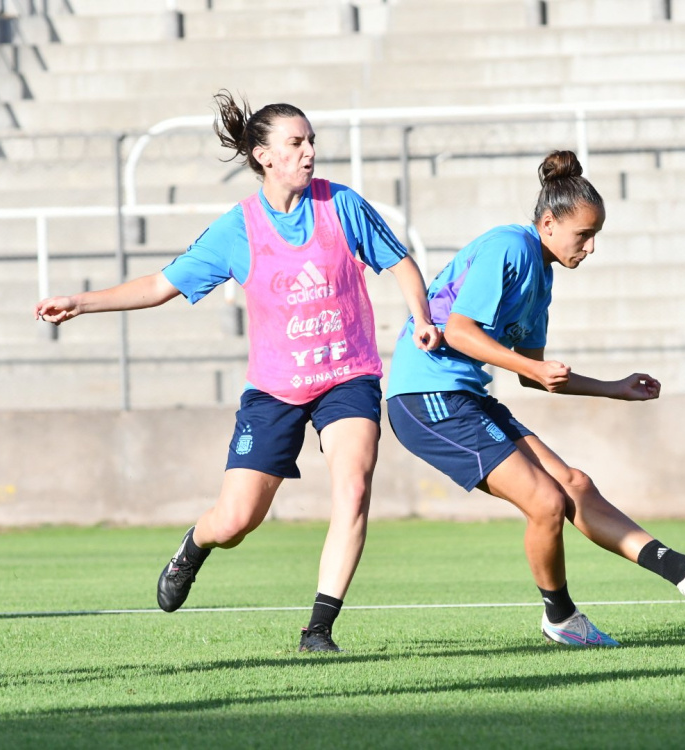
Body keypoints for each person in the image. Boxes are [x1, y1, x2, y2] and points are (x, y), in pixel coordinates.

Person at [35, 90, 442, 653]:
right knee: (237, 519)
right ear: (264, 156)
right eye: (296, 143)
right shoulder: (238, 228)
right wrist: (82, 302)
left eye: (311, 142)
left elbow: (399, 262)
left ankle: (318, 629)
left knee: (353, 486)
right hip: (275, 389)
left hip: (348, 376)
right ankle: (195, 546)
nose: (308, 152)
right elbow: (159, 286)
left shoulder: (342, 205)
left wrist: (421, 317)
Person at [385, 150, 685, 647]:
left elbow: (533, 376)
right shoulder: (510, 246)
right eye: (584, 234)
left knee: (574, 483)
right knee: (545, 500)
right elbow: (459, 331)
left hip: (464, 396)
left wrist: (612, 389)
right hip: (425, 395)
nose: (591, 246)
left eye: (595, 234)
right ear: (548, 223)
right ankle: (560, 617)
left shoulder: (543, 276)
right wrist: (532, 366)